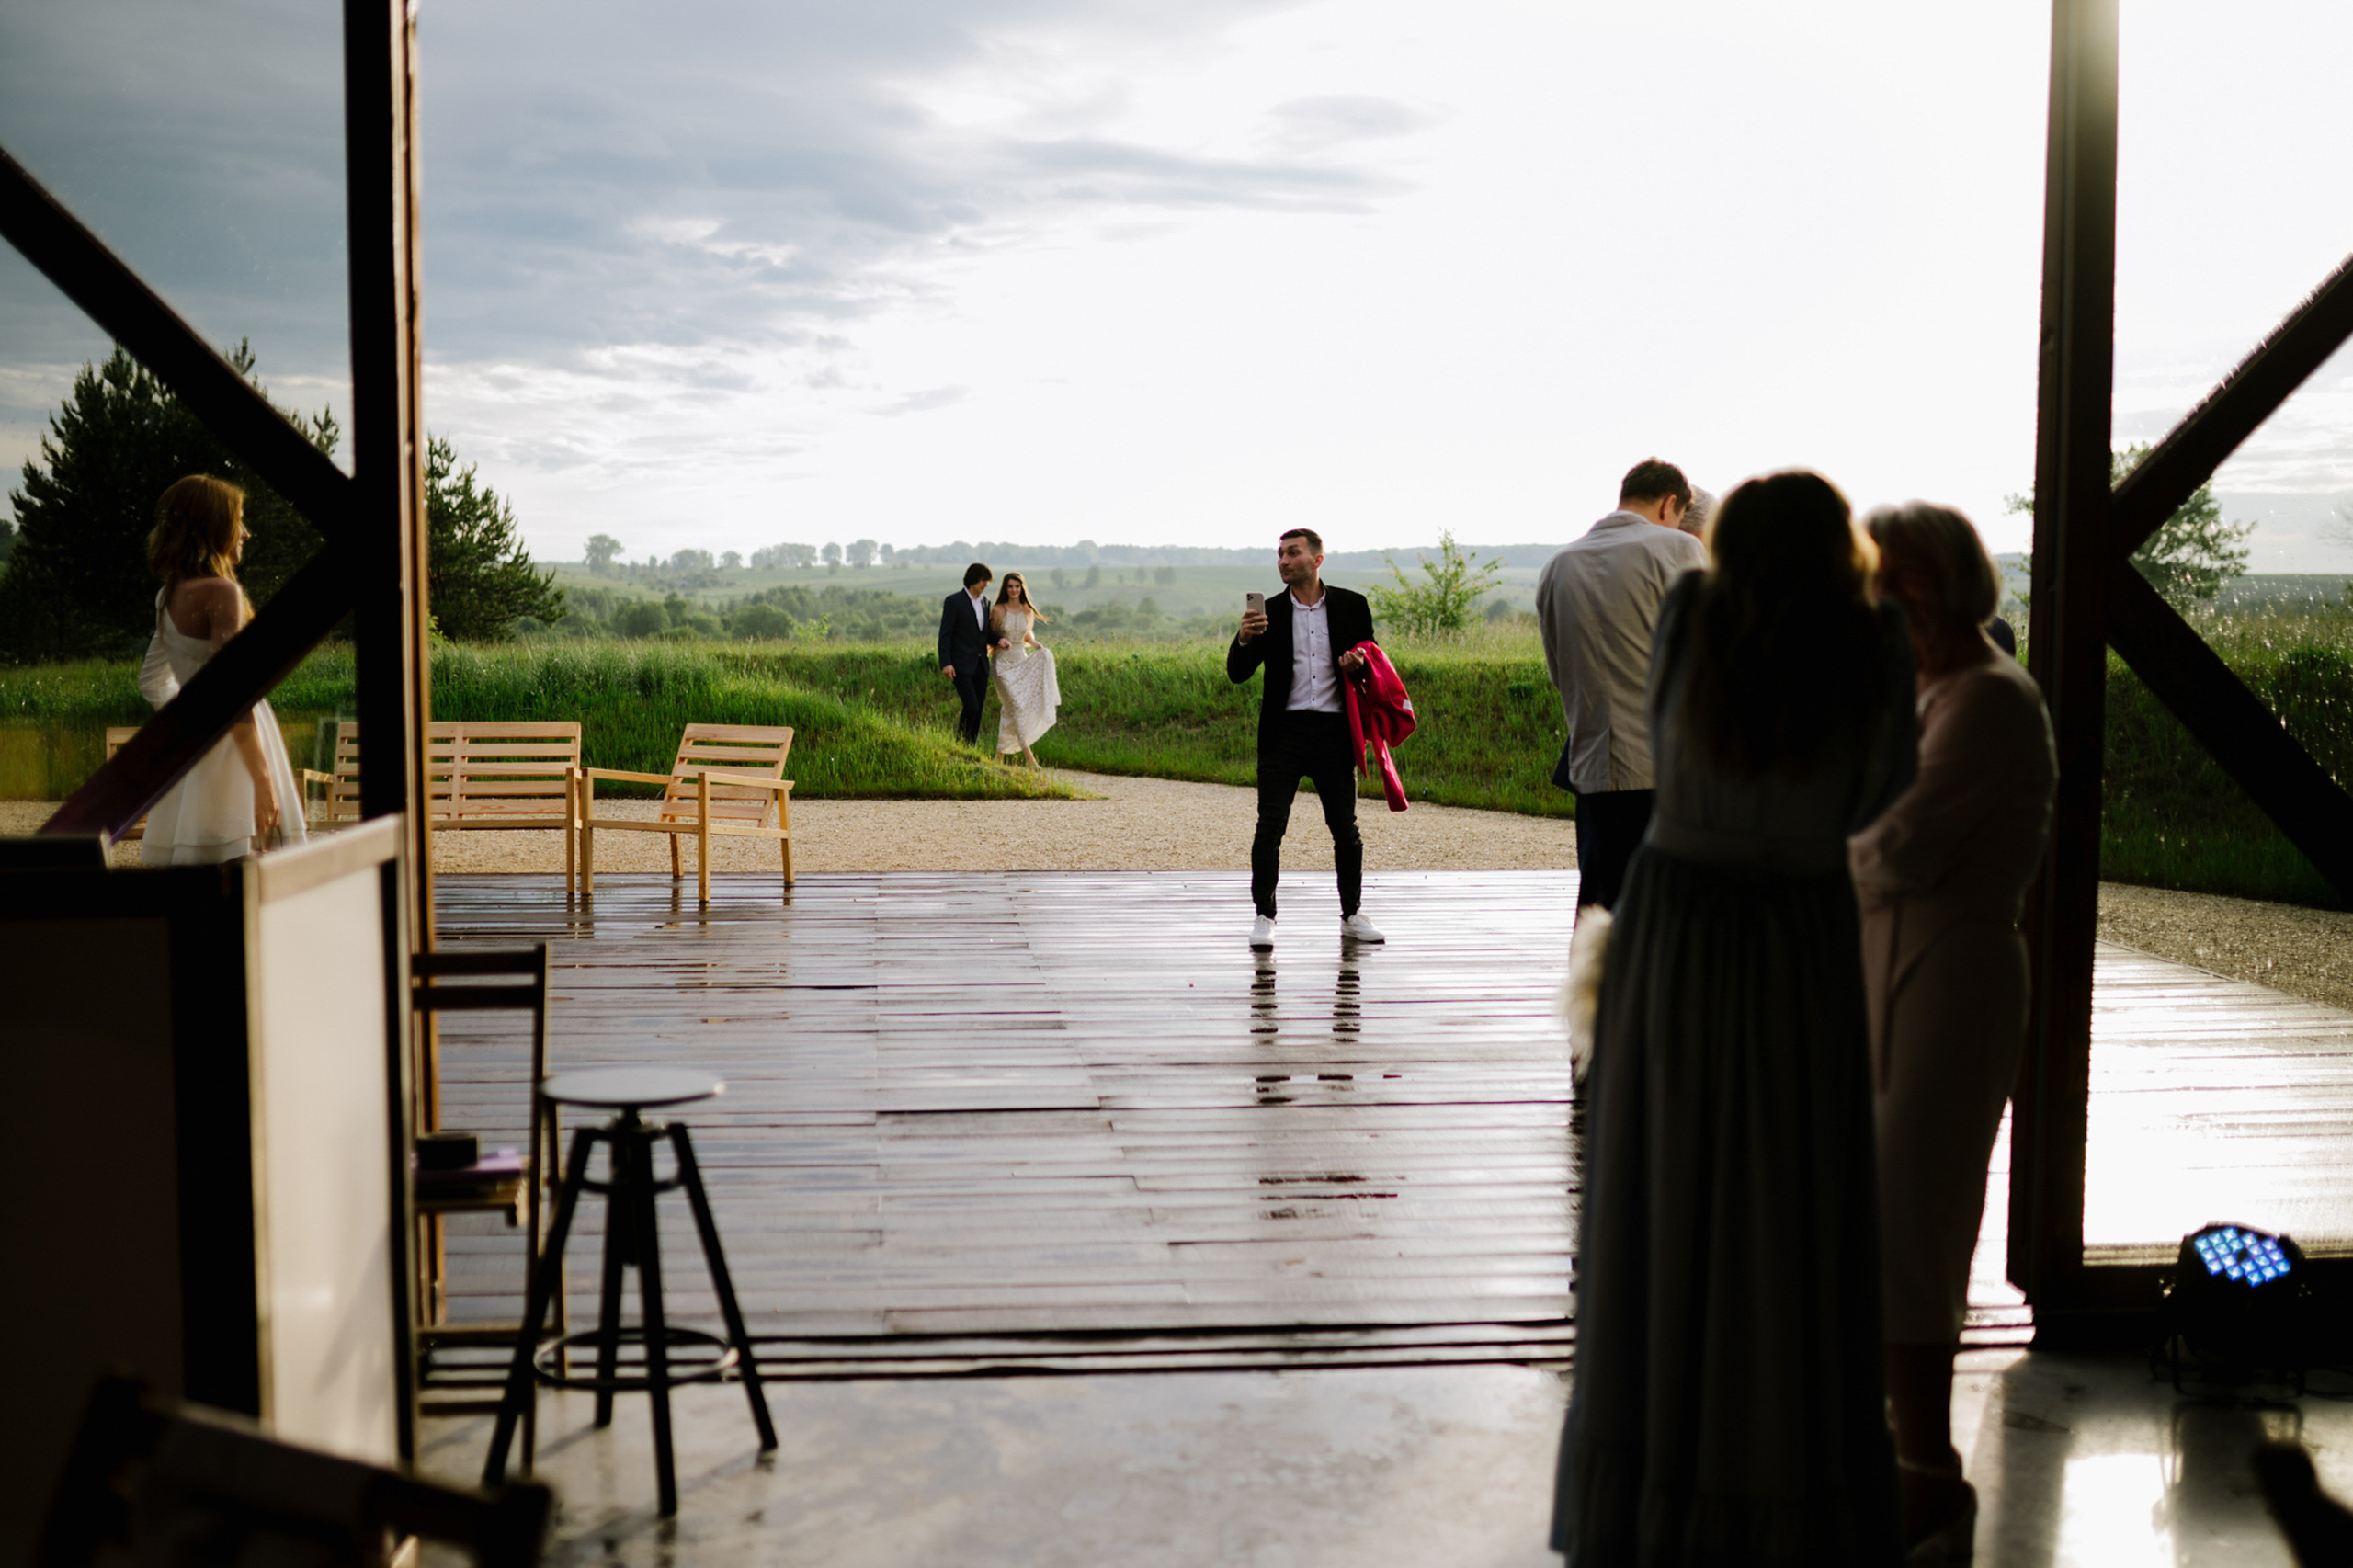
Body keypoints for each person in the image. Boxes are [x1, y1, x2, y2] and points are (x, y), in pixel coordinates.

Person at [1553, 470, 1916, 1565]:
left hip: (1677, 915)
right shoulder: (1874, 636)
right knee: (1791, 1180)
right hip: (1798, 924)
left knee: (1664, 1173)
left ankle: (1647, 1472)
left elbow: (1668, 739)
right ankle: (1783, 1472)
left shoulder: (1694, 614)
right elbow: (1883, 789)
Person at [1849, 503, 2055, 1558]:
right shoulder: (1926, 687)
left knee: (1919, 1216)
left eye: (1892, 581)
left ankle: (1927, 1465)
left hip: (1953, 977)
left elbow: (1894, 847)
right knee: (1887, 1215)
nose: (1878, 600)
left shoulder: (1987, 700)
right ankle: (1900, 1451)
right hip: (1896, 966)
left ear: (1931, 585)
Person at [1536, 458, 1711, 909]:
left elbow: (1559, 672)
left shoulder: (1558, 565)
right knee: (1664, 909)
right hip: (1665, 766)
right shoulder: (1677, 550)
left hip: (1593, 764)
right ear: (1671, 503)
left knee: (1600, 902)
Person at [136, 474, 307, 866]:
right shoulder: (222, 593)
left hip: (196, 749)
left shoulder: (168, 595)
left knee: (200, 871)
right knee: (253, 868)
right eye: (239, 521)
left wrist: (191, 720)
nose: (246, 533)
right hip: (240, 745)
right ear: (213, 526)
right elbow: (232, 689)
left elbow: (151, 682)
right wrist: (262, 780)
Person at [1229, 528, 1381, 949]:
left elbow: (1374, 668)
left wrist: (1357, 665)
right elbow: (1238, 673)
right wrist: (1243, 639)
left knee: (1345, 829)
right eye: (1279, 554)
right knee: (1269, 828)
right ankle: (1264, 917)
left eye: (1292, 553)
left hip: (1334, 733)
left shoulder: (1353, 606)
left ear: (1317, 559)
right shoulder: (1269, 612)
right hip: (1284, 734)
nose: (1283, 561)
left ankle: (1352, 914)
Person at [989, 571, 1061, 768]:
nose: (1013, 590)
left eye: (1017, 586)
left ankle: (999, 757)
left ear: (1022, 589)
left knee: (1011, 709)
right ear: (1005, 588)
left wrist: (1036, 644)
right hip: (1002, 664)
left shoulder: (1027, 611)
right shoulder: (997, 610)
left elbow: (1026, 634)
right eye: (1010, 586)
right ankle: (1030, 759)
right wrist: (999, 641)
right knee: (1017, 707)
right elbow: (990, 635)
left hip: (1021, 659)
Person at [938, 562, 1005, 745]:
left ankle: (970, 748)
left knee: (979, 709)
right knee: (971, 706)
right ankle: (960, 745)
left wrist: (998, 639)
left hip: (981, 665)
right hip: (960, 664)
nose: (986, 584)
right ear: (973, 579)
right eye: (984, 580)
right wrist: (946, 662)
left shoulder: (985, 602)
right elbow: (945, 635)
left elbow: (982, 633)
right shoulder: (954, 601)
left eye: (987, 581)